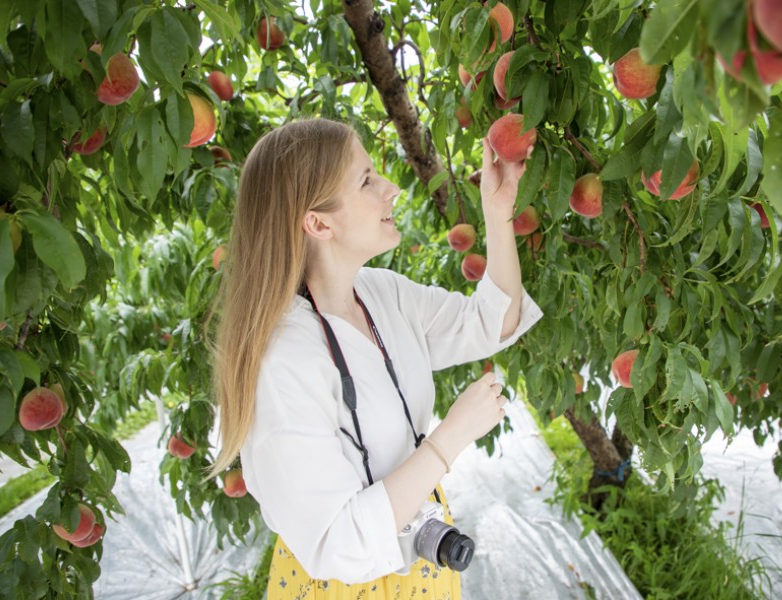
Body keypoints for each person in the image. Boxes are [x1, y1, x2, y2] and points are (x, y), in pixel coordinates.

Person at [209, 118, 543, 599]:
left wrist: (497, 210)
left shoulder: (381, 294)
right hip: (342, 588)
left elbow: (495, 321)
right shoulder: (283, 361)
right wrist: (451, 438)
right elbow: (337, 542)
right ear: (318, 223)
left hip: (423, 562)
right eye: (367, 180)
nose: (391, 189)